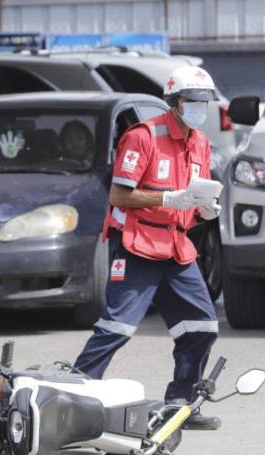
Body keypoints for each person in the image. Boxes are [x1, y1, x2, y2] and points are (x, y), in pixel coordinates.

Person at [73, 65, 223, 430]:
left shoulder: (200, 143)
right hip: (138, 246)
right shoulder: (143, 137)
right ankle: (72, 397)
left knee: (202, 327)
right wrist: (170, 198)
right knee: (116, 328)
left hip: (175, 247)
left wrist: (203, 208)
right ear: (174, 102)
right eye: (194, 100)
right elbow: (120, 194)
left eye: (206, 101)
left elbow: (194, 194)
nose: (201, 107)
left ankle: (180, 404)